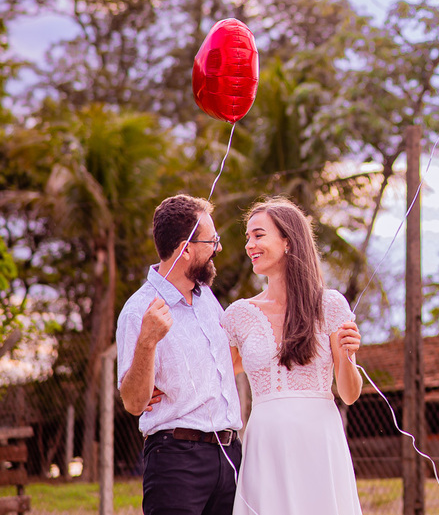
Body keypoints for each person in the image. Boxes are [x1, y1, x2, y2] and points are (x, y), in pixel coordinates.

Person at [221, 196, 363, 515]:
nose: (249, 245)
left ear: (288, 241)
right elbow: (216, 377)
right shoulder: (239, 315)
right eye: (248, 237)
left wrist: (348, 352)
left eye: (258, 235)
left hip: (319, 438)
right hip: (265, 441)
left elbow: (350, 394)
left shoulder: (331, 305)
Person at [116, 194, 243, 515]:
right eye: (212, 240)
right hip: (177, 462)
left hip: (230, 457)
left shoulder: (207, 299)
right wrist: (147, 343)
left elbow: (225, 366)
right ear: (186, 249)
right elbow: (133, 402)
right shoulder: (137, 312)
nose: (218, 247)